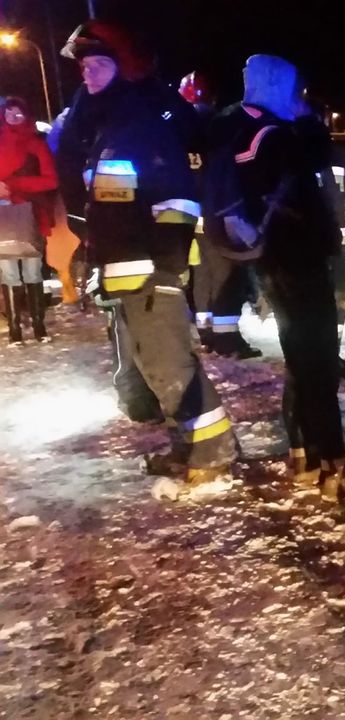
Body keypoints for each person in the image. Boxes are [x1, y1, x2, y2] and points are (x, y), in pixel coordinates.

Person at [54, 20, 236, 488]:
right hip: (127, 274)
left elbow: (174, 199)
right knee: (159, 370)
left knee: (170, 365)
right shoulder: (111, 128)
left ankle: (213, 453)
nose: (88, 75)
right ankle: (191, 446)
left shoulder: (143, 127)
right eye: (85, 67)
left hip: (150, 274)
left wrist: (165, 266)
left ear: (123, 69)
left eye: (98, 64)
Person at [209, 54, 345, 501]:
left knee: (302, 362)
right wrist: (307, 123)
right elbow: (315, 154)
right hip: (297, 261)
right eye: (293, 91)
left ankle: (307, 457)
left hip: (275, 260)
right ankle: (334, 469)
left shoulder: (239, 129)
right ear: (277, 88)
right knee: (318, 364)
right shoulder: (276, 136)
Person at [182, 70, 262, 360]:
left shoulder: (178, 128)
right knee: (228, 277)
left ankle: (206, 334)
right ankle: (227, 340)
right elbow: (224, 174)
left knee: (202, 276)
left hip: (188, 219)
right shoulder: (216, 129)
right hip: (216, 215)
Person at [295, 89, 345, 378]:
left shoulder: (334, 155)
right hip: (305, 249)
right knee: (310, 304)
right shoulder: (290, 155)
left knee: (340, 300)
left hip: (336, 246)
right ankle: (310, 360)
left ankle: (329, 355)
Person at [0, 96, 57, 344]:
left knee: (33, 271)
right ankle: (14, 331)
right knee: (9, 271)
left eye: (18, 112)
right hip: (3, 217)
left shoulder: (36, 144)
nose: (13, 116)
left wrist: (13, 185)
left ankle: (38, 327)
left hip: (33, 215)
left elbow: (51, 180)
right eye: (8, 112)